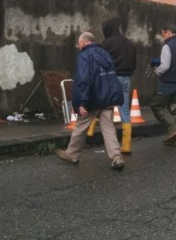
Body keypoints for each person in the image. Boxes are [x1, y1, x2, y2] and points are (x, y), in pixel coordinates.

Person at [56, 32, 126, 170]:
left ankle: (72, 154)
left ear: (82, 43)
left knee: (81, 126)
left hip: (93, 99)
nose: (78, 47)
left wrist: (82, 102)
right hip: (108, 97)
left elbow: (83, 79)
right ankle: (117, 157)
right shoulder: (105, 54)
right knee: (108, 128)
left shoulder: (84, 56)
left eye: (78, 44)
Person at [101, 16, 137, 155]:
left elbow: (102, 62)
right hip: (126, 78)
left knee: (103, 107)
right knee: (124, 111)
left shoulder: (106, 43)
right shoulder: (129, 43)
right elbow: (134, 63)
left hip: (111, 78)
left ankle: (90, 134)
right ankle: (126, 146)